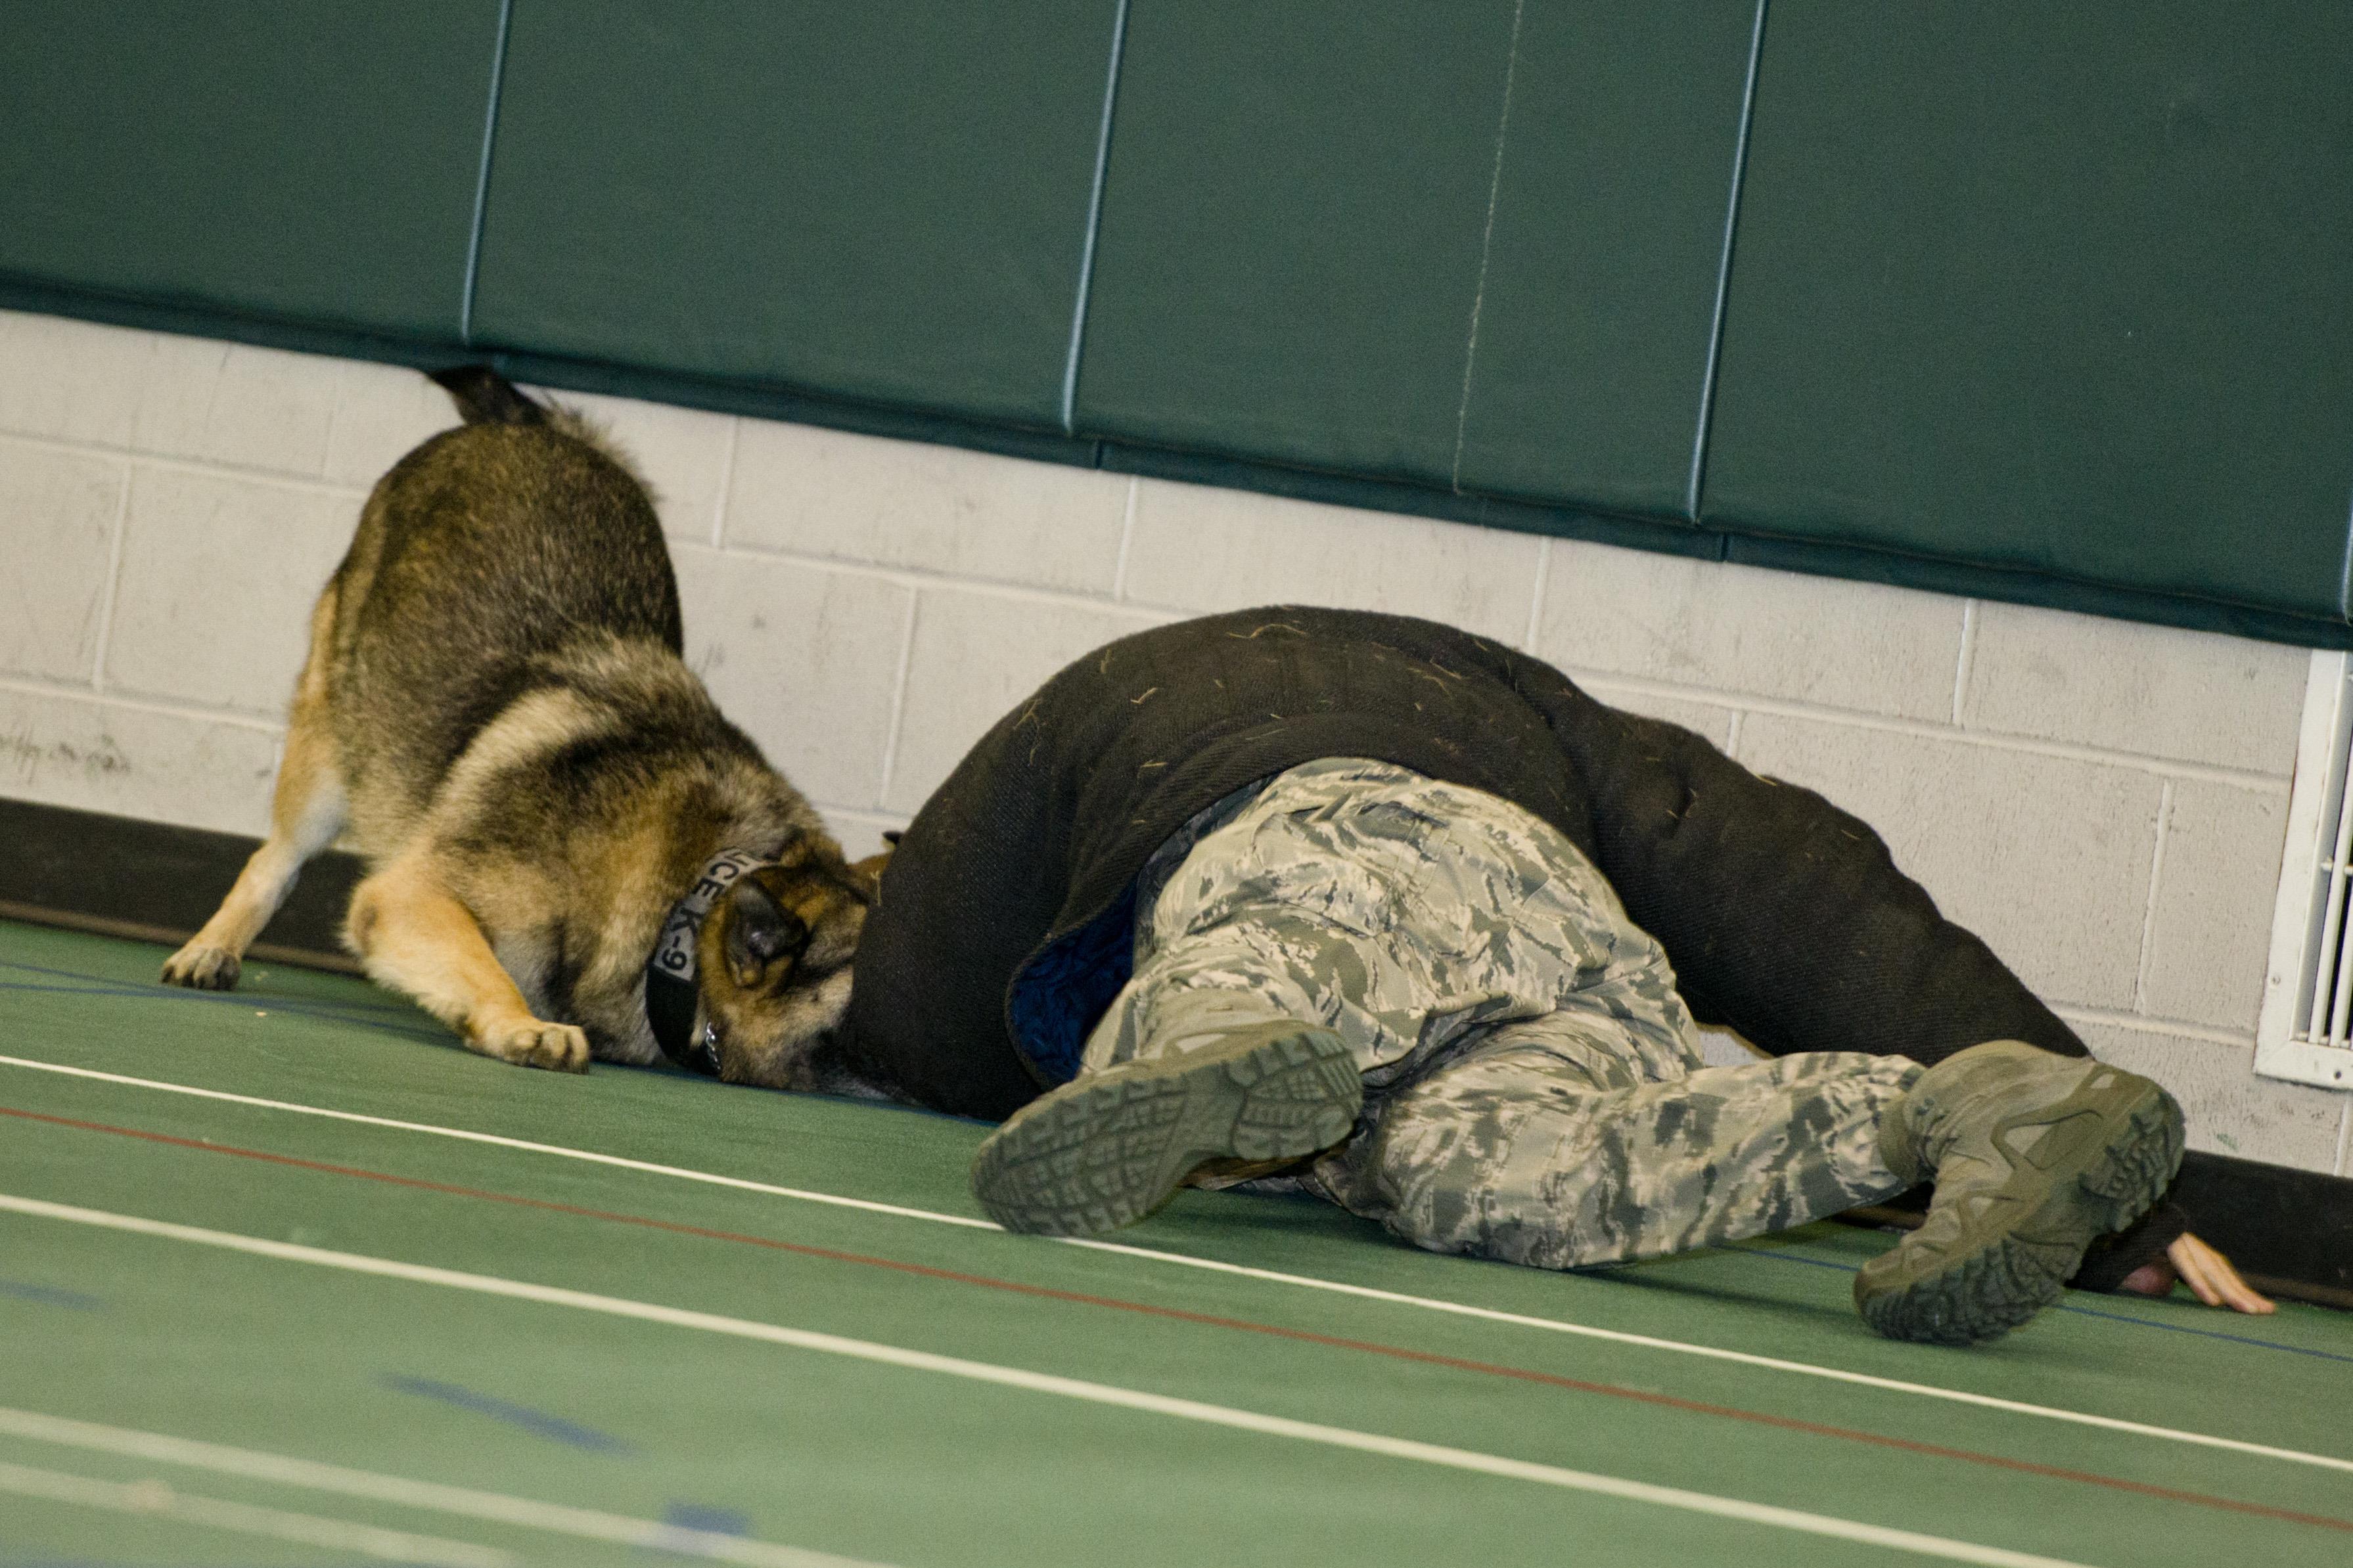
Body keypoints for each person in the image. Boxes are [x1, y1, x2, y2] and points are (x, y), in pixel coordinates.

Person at [842, 606, 2270, 1342]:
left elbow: (924, 978)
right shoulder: (1546, 714)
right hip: (1557, 944)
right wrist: (2132, 1206)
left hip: (1300, 841)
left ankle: (1220, 1049)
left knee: (1249, 949)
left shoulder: (1105, 711)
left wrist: (937, 1055)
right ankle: (1941, 1117)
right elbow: (1798, 893)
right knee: (1499, 1177)